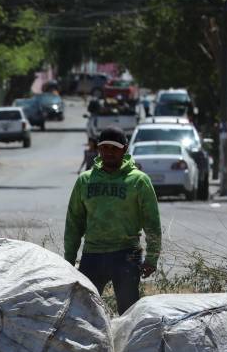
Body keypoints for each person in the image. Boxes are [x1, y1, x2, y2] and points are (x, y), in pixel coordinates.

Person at [63, 127, 161, 314]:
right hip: (93, 254)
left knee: (128, 311)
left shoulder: (139, 181)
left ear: (124, 150)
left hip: (128, 254)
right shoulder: (85, 181)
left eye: (114, 148)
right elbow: (74, 222)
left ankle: (129, 343)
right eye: (104, 147)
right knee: (83, 310)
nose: (109, 152)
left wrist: (151, 258)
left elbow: (152, 222)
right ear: (98, 150)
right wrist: (68, 259)